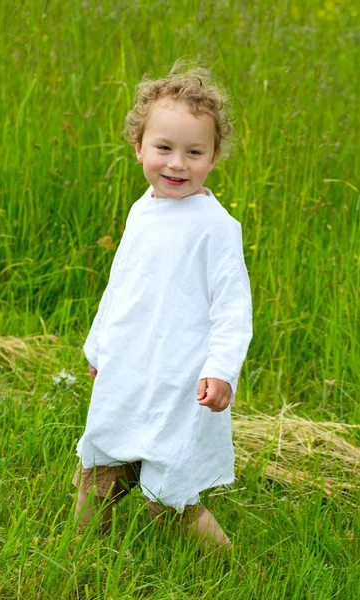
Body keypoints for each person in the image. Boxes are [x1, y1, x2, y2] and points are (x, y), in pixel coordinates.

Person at [72, 63, 253, 551]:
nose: (177, 164)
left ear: (214, 156)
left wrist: (222, 371)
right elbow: (122, 285)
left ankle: (233, 568)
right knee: (99, 467)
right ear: (138, 148)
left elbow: (232, 309)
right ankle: (82, 556)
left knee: (168, 494)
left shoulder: (216, 227)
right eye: (164, 148)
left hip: (179, 379)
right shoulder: (142, 209)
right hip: (130, 368)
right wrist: (99, 348)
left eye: (194, 152)